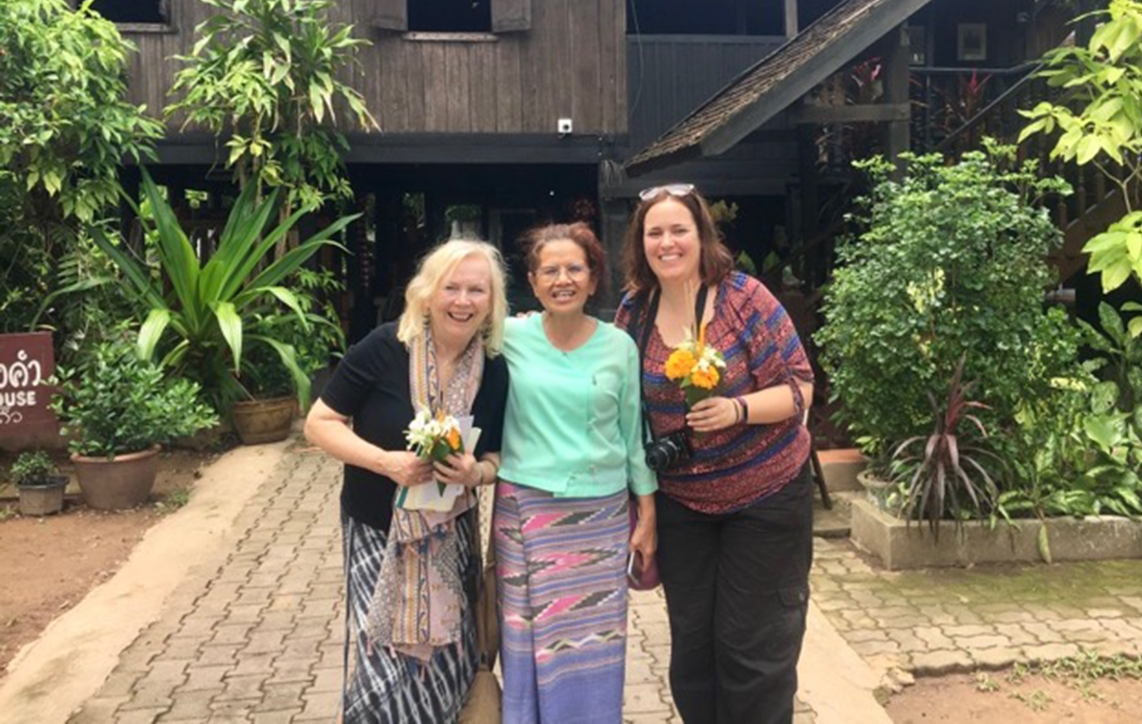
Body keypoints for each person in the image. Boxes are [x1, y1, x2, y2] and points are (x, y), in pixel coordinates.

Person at [615, 184, 816, 724]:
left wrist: (738, 411)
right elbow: (618, 404)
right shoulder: (634, 312)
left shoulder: (744, 298)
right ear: (641, 243)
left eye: (679, 230)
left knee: (754, 648)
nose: (667, 242)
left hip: (766, 496)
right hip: (683, 504)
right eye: (654, 232)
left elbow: (801, 387)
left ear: (701, 237)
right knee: (695, 650)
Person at [304, 239, 510, 723]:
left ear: (492, 302)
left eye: (476, 290)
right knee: (384, 660)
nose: (463, 301)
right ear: (427, 293)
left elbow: (496, 455)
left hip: (450, 539)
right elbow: (320, 423)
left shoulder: (494, 369)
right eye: (451, 288)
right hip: (377, 530)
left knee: (447, 657)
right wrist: (386, 462)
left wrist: (475, 473)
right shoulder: (383, 348)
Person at [496, 222, 658, 724]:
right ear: (533, 280)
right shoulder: (506, 336)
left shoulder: (618, 347)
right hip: (524, 511)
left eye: (574, 269)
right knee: (524, 635)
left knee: (593, 638)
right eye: (550, 270)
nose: (562, 279)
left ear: (593, 280)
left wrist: (647, 512)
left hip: (600, 516)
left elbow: (634, 435)